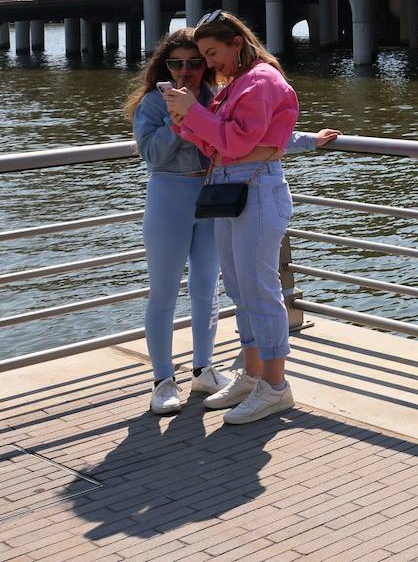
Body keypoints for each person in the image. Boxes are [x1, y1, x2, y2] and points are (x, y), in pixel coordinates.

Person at [126, 27, 339, 415]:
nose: (188, 70)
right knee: (164, 292)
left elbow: (248, 137)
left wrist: (309, 140)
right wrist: (179, 118)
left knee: (209, 289)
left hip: (213, 196)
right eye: (178, 63)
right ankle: (162, 380)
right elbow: (154, 156)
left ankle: (204, 369)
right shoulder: (153, 104)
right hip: (169, 196)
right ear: (165, 66)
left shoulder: (215, 96)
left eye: (197, 61)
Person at [163, 10, 308, 425]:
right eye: (204, 57)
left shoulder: (261, 81)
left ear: (236, 44)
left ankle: (275, 386)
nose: (210, 65)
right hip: (235, 186)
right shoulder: (238, 85)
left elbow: (236, 140)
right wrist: (184, 119)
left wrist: (194, 112)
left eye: (212, 54)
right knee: (240, 287)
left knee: (259, 289)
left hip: (256, 189)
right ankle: (253, 373)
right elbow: (219, 146)